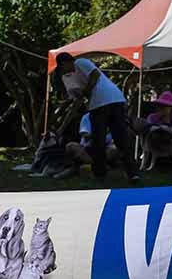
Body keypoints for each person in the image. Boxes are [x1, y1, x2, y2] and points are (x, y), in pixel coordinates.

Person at [54, 52, 138, 182]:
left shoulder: (80, 62)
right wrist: (62, 127)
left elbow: (95, 74)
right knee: (99, 140)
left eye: (62, 68)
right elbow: (76, 103)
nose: (64, 72)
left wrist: (86, 92)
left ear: (64, 63)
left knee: (119, 138)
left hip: (110, 100)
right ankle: (101, 173)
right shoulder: (69, 79)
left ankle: (130, 173)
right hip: (100, 104)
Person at [63, 112, 118, 180]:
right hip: (87, 149)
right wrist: (100, 133)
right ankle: (98, 166)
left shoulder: (113, 118)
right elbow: (85, 135)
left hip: (105, 148)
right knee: (70, 146)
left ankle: (91, 167)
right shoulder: (87, 116)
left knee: (114, 149)